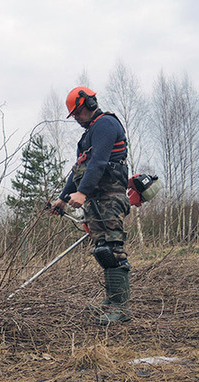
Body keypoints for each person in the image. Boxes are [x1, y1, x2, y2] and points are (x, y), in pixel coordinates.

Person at [50, 86, 131, 325]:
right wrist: (63, 199)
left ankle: (120, 307)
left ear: (90, 104)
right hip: (96, 199)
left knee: (114, 249)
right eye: (73, 115)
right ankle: (111, 299)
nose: (76, 118)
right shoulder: (87, 136)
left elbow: (99, 162)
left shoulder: (106, 124)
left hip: (110, 196)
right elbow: (78, 170)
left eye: (78, 112)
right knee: (102, 249)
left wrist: (82, 193)